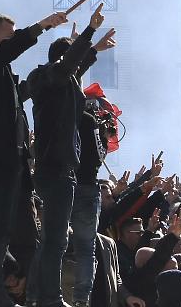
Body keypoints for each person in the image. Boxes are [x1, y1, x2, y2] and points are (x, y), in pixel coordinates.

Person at [0, 7, 66, 307]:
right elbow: (13, 48)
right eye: (10, 31)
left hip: (14, 164)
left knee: (20, 231)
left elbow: (18, 95)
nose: (15, 36)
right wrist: (43, 25)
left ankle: (26, 291)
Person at [26, 3, 109, 307]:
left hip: (60, 169)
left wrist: (92, 47)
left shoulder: (57, 83)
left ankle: (40, 295)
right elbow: (67, 67)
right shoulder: (51, 77)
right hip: (56, 168)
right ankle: (48, 298)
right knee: (55, 241)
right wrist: (89, 32)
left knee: (52, 240)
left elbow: (73, 67)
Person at [68, 22, 117, 307]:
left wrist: (81, 48)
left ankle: (50, 292)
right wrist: (85, 48)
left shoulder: (80, 120)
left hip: (69, 184)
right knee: (86, 248)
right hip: (87, 188)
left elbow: (69, 81)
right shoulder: (96, 129)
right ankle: (81, 299)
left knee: (58, 242)